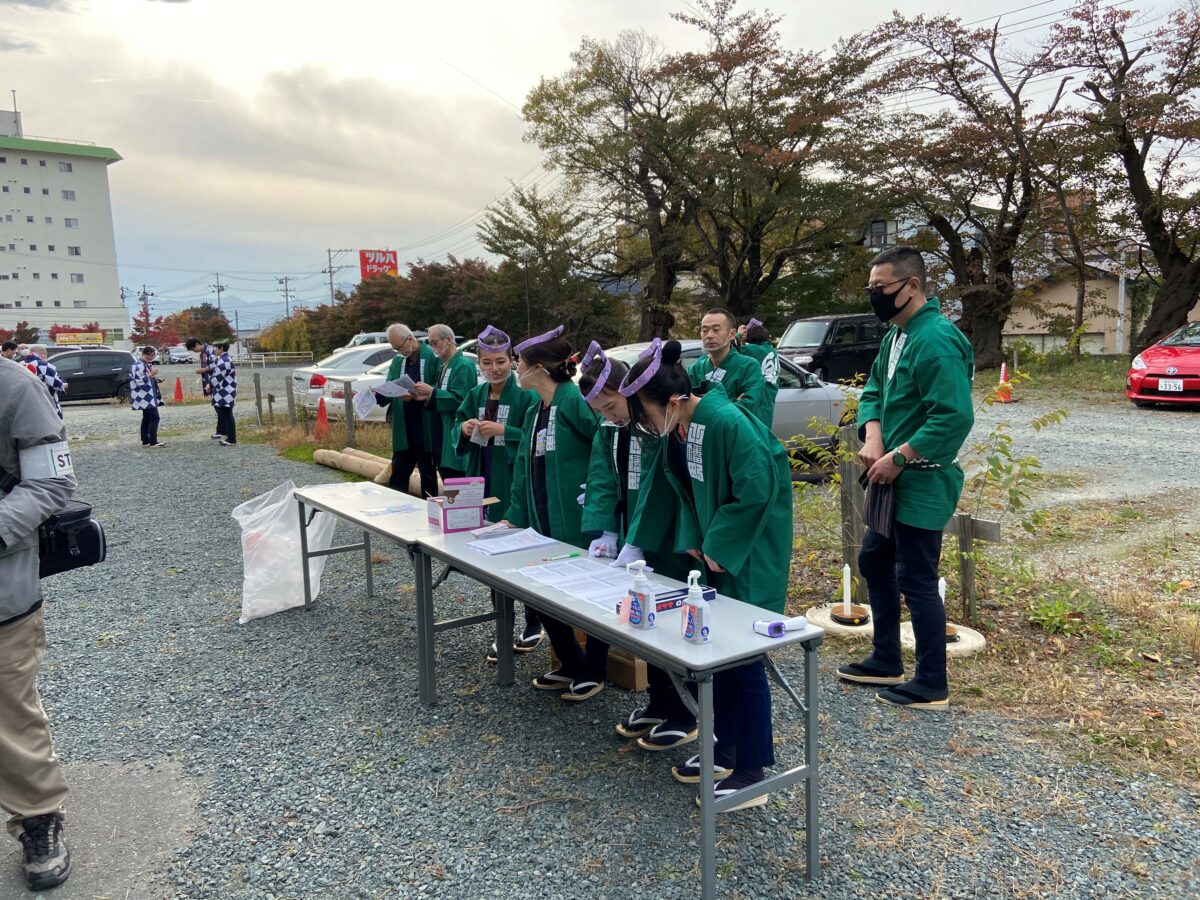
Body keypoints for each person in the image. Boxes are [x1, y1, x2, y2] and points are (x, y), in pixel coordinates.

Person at [622, 338, 794, 810]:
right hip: (717, 549)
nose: (646, 426)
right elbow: (684, 491)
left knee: (744, 656)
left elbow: (758, 488)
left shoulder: (725, 421)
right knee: (719, 651)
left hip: (750, 551)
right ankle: (728, 747)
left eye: (647, 415)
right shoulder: (686, 425)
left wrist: (718, 542)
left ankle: (753, 771)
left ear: (674, 402)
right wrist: (693, 536)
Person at [838, 247, 975, 710]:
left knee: (916, 576)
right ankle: (886, 658)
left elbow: (953, 416)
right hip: (890, 475)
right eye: (870, 289)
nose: (875, 297)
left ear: (912, 286)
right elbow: (873, 391)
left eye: (881, 289)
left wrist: (899, 455)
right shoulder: (897, 336)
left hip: (921, 478)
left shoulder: (936, 339)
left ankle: (932, 681)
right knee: (876, 562)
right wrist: (873, 436)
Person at [578, 342, 697, 750]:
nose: (608, 416)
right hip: (631, 533)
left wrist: (639, 540)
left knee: (671, 621)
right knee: (643, 624)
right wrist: (605, 531)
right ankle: (660, 700)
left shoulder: (656, 427)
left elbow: (658, 487)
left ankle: (687, 709)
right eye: (601, 412)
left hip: (663, 538)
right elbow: (601, 478)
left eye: (612, 406)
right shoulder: (611, 428)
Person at [1, 355, 77, 890]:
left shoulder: (15, 388)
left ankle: (38, 815)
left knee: (8, 709)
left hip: (2, 590)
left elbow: (52, 484)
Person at [502, 326, 605, 702]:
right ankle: (571, 663)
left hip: (575, 517)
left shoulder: (573, 401)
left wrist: (593, 497)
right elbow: (522, 467)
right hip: (541, 516)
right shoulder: (535, 408)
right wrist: (515, 513)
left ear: (540, 369)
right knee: (545, 593)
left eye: (520, 365)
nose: (516, 371)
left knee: (589, 596)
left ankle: (593, 669)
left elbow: (603, 446)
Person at [453, 325, 543, 661]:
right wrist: (463, 428)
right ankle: (502, 625)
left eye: (501, 361)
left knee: (523, 558)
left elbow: (538, 437)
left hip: (514, 485)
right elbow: (458, 424)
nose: (495, 368)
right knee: (492, 562)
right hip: (482, 481)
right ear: (479, 363)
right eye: (487, 362)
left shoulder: (526, 396)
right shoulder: (476, 396)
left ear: (512, 361)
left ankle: (534, 622)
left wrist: (506, 429)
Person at [375, 324, 440, 499]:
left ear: (410, 340)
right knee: (399, 471)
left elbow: (439, 387)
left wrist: (421, 393)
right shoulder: (398, 361)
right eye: (395, 349)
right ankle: (397, 510)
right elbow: (390, 384)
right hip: (404, 425)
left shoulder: (432, 357)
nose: (400, 352)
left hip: (424, 423)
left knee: (428, 473)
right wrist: (378, 394)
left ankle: (430, 511)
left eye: (400, 347)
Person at [688, 310, 770, 426]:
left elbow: (745, 408)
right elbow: (686, 408)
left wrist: (702, 405)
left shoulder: (748, 366)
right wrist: (731, 402)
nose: (709, 335)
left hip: (736, 436)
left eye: (716, 330)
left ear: (732, 334)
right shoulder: (696, 368)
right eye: (704, 330)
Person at [424, 324, 477, 482]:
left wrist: (431, 392)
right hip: (441, 429)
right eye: (430, 344)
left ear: (448, 340)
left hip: (454, 429)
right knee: (446, 474)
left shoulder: (464, 365)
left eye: (435, 343)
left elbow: (461, 399)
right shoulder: (444, 365)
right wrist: (426, 396)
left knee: (455, 477)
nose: (433, 347)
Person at [736, 317, 781, 410]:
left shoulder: (755, 350)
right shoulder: (770, 349)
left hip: (757, 397)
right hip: (769, 396)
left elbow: (730, 348)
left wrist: (739, 334)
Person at [129, 346, 166, 447]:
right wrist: (151, 375)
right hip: (144, 396)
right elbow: (139, 381)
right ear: (143, 354)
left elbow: (143, 379)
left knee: (147, 418)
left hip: (146, 395)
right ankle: (153, 441)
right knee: (155, 417)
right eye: (148, 355)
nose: (150, 357)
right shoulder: (138, 365)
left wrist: (155, 379)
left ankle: (146, 440)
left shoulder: (144, 364)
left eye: (152, 355)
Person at [186, 337, 221, 439]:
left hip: (215, 381)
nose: (194, 351)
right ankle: (221, 430)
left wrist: (202, 370)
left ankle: (221, 431)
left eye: (193, 349)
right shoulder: (203, 353)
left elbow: (216, 365)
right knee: (217, 406)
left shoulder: (210, 350)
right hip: (209, 381)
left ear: (197, 344)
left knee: (219, 407)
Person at [23, 346, 67, 420]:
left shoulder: (19, 364)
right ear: (43, 355)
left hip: (25, 403)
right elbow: (58, 385)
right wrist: (64, 385)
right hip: (46, 403)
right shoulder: (44, 365)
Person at [209, 340, 238, 446]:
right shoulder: (223, 359)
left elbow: (218, 376)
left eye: (215, 347)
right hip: (224, 390)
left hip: (225, 390)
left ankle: (231, 439)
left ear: (221, 348)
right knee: (225, 413)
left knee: (227, 413)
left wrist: (210, 385)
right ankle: (229, 436)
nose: (214, 349)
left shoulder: (224, 360)